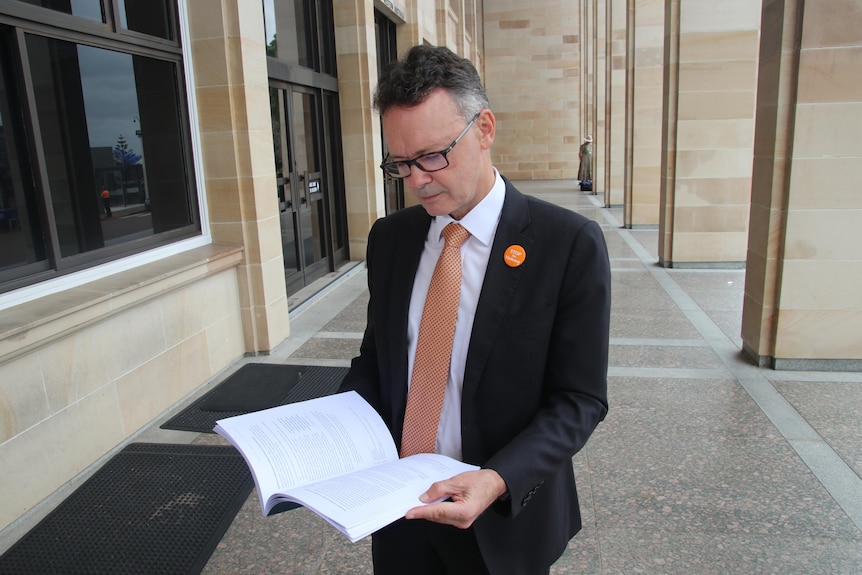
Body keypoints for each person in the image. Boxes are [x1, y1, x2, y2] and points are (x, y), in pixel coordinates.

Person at [338, 45, 610, 575]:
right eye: (401, 163)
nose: (417, 180)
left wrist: (498, 478)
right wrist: (329, 433)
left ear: (484, 128)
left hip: (505, 522)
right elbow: (377, 364)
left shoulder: (568, 243)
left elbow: (579, 399)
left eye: (434, 155)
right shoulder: (391, 239)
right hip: (401, 511)